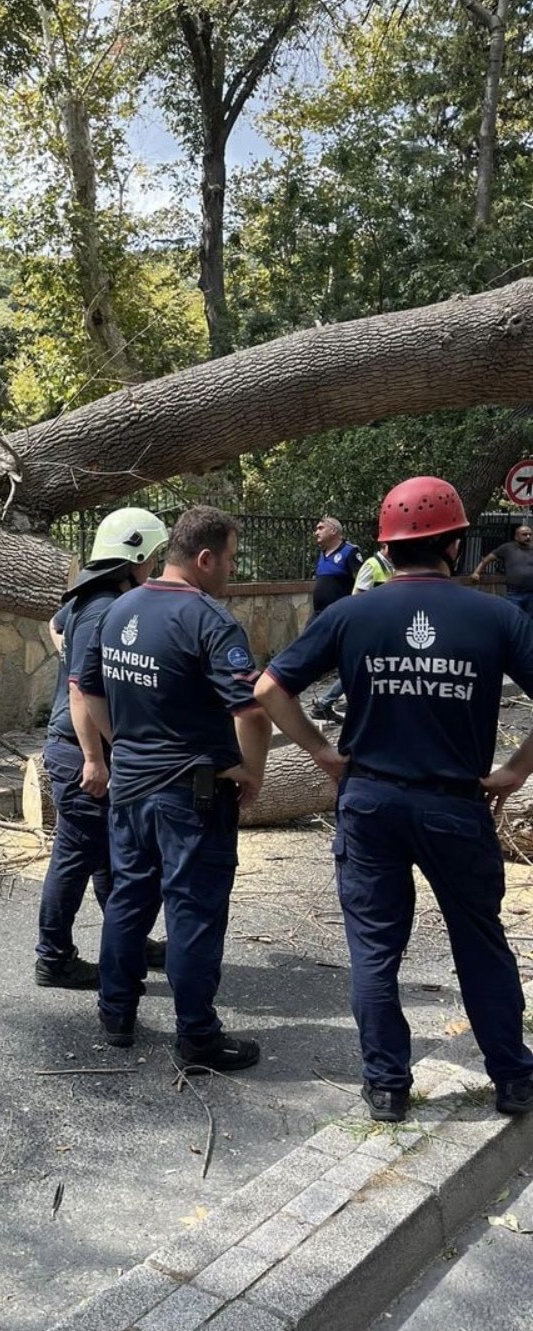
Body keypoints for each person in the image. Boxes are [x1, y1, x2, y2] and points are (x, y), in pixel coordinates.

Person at [254, 475, 533, 1123]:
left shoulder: (352, 613)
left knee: (374, 951)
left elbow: (269, 688)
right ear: (456, 545)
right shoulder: (496, 616)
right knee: (479, 940)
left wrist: (323, 755)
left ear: (387, 548)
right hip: (454, 805)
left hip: (369, 804)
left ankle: (385, 1086)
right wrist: (515, 770)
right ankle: (514, 1080)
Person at [76, 505, 272, 1067]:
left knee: (129, 901)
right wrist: (252, 773)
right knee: (193, 912)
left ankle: (116, 1015)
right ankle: (198, 1039)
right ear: (205, 558)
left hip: (131, 787)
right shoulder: (209, 619)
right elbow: (252, 711)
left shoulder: (117, 610)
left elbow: (89, 692)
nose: (232, 570)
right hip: (192, 794)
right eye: (230, 559)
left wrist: (128, 746)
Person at [35, 508, 170, 988]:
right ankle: (53, 959)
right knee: (74, 857)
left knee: (109, 855)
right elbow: (79, 689)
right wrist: (95, 758)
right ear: (133, 557)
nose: (155, 564)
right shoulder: (101, 607)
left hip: (83, 747)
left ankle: (127, 938)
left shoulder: (85, 599)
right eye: (153, 556)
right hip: (80, 751)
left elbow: (53, 627)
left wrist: (68, 648)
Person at [308, 544, 395, 722]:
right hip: (369, 626)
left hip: (382, 626)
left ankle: (343, 701)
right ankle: (326, 702)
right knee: (361, 666)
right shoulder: (372, 564)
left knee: (369, 667)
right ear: (385, 546)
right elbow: (359, 596)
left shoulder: (390, 567)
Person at [308, 517, 365, 721]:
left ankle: (330, 702)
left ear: (334, 531)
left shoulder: (350, 552)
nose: (316, 532)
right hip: (319, 614)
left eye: (320, 528)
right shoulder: (322, 554)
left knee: (348, 660)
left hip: (340, 617)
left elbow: (362, 581)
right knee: (304, 649)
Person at [471, 522, 533, 617]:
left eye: (530, 534)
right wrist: (476, 572)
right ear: (516, 536)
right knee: (514, 618)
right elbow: (488, 559)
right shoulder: (507, 548)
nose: (528, 537)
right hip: (514, 593)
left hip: (531, 592)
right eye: (524, 534)